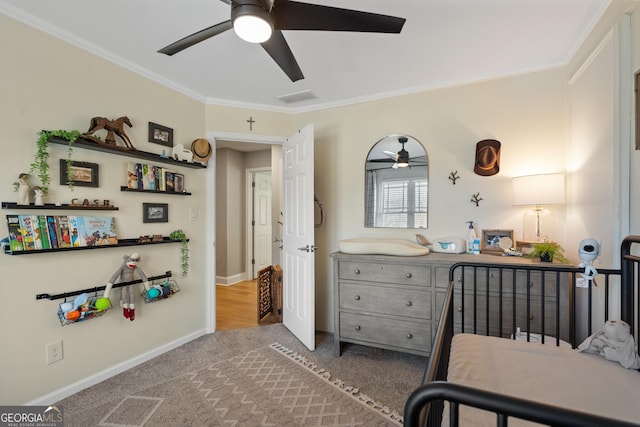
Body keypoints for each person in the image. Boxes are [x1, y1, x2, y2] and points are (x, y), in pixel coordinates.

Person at [103, 253, 149, 321]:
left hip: (131, 283)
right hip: (124, 283)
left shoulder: (135, 267)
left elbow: (143, 275)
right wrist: (106, 294)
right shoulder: (122, 268)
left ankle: (132, 311)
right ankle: (125, 310)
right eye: (132, 260)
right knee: (124, 295)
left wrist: (148, 287)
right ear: (127, 260)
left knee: (132, 295)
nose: (133, 263)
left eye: (135, 261)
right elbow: (113, 278)